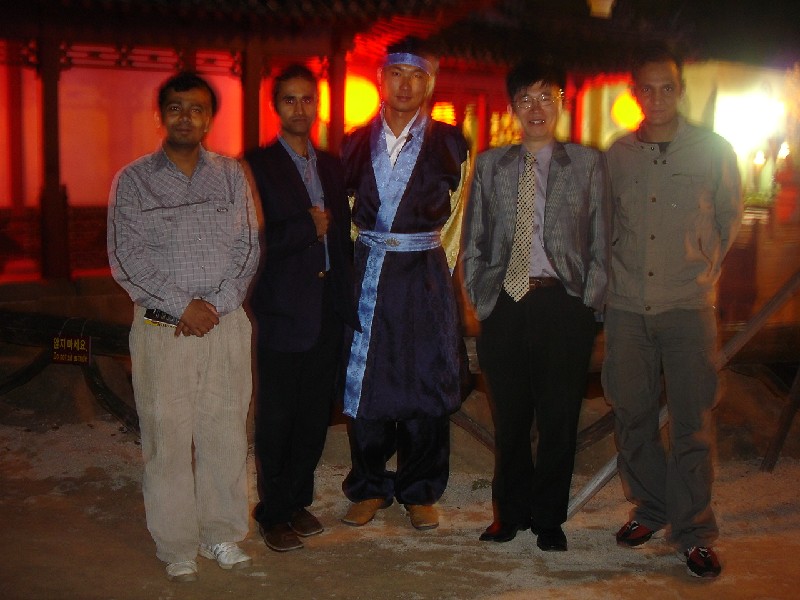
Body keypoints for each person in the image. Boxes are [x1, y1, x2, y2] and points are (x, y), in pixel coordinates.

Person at [107, 72, 259, 582]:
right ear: (161, 115)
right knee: (166, 438)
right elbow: (126, 258)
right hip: (162, 329)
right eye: (175, 108)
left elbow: (247, 248)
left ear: (209, 118)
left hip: (225, 325)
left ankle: (221, 532)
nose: (186, 117)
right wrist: (183, 307)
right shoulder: (133, 181)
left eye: (196, 108)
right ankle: (175, 543)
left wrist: (213, 306)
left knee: (224, 432)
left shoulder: (231, 176)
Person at [602, 45, 742, 578]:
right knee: (631, 413)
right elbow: (606, 223)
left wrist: (703, 268)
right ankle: (651, 507)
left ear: (680, 91)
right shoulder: (618, 155)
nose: (657, 97)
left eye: (667, 88)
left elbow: (728, 217)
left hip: (688, 306)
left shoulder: (713, 151)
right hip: (627, 306)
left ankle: (693, 530)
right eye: (648, 88)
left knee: (693, 421)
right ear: (635, 92)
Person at [461, 61, 609, 552]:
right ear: (513, 108)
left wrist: (589, 304)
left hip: (564, 304)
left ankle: (549, 518)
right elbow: (474, 240)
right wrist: (483, 299)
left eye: (546, 96)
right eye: (525, 98)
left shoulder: (587, 164)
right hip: (506, 302)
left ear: (562, 102)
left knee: (559, 417)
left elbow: (602, 241)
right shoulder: (490, 165)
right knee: (510, 418)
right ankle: (509, 513)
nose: (536, 108)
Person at [339, 37, 470, 530]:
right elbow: (346, 217)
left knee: (425, 381)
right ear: (381, 78)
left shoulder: (452, 144)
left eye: (417, 76)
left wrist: (442, 275)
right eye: (397, 73)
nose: (406, 85)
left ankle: (420, 489)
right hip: (369, 274)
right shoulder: (353, 144)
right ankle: (369, 484)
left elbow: (458, 219)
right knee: (366, 382)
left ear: (429, 84)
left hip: (425, 278)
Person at [242, 64, 359, 552]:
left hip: (327, 307)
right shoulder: (255, 166)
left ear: (317, 105)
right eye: (289, 99)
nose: (299, 108)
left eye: (307, 99)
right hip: (282, 308)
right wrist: (303, 228)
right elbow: (248, 240)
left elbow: (344, 237)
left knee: (313, 416)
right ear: (276, 106)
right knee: (276, 418)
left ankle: (296, 501)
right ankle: (272, 513)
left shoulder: (331, 165)